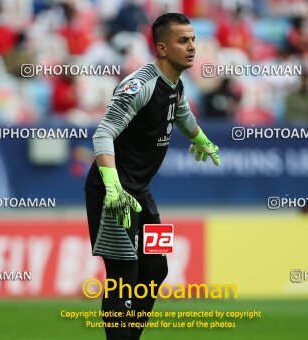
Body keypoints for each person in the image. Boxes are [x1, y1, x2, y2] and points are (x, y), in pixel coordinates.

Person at [84, 13, 221, 340]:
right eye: (182, 41)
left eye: (192, 40)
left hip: (141, 192)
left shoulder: (175, 84)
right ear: (161, 48)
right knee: (123, 276)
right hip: (112, 191)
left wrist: (200, 139)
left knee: (156, 269)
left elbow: (183, 114)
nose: (191, 47)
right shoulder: (139, 86)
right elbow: (102, 135)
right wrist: (113, 188)